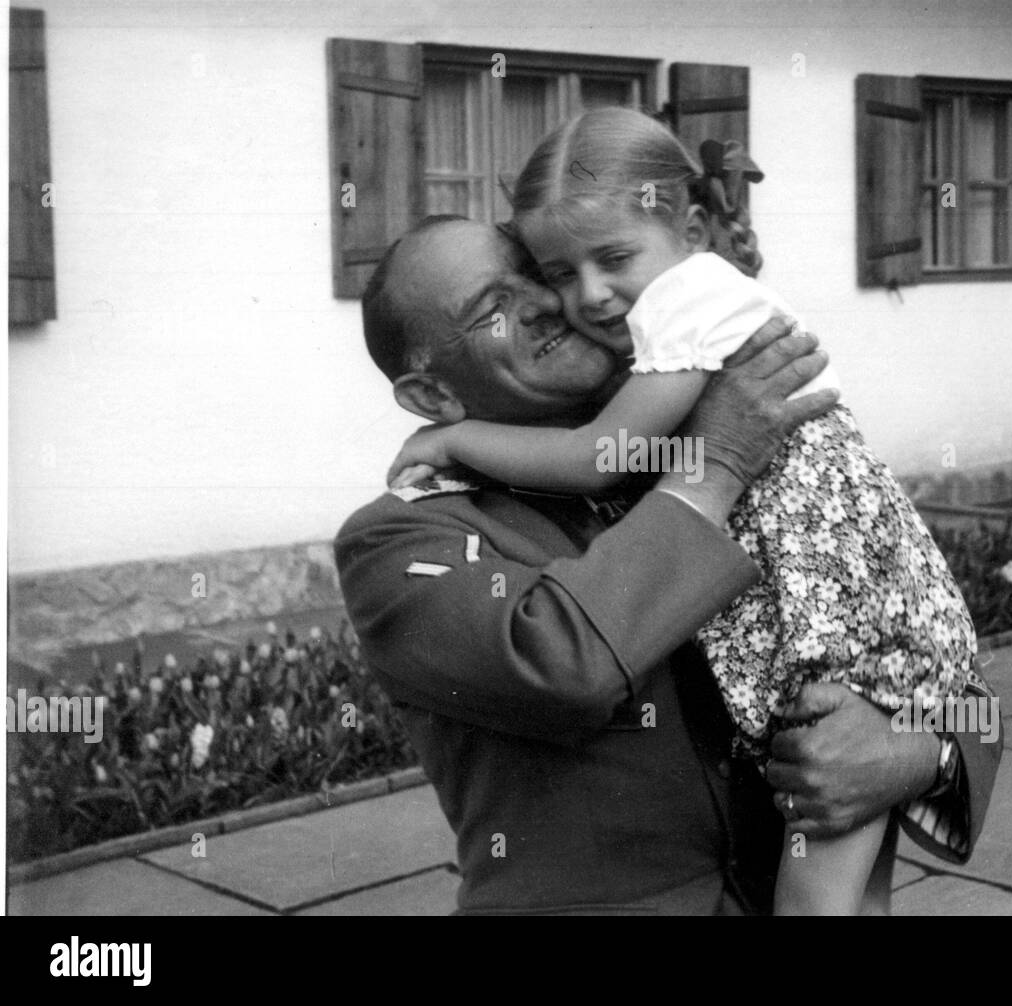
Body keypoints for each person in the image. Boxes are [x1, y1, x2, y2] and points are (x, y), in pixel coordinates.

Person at [382, 109, 978, 914]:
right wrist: (715, 466)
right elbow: (561, 666)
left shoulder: (677, 417)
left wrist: (911, 757)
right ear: (428, 395)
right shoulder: (404, 535)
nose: (563, 302)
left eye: (537, 278)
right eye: (501, 303)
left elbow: (935, 676)